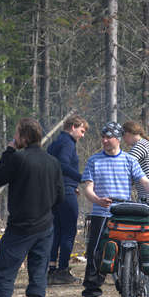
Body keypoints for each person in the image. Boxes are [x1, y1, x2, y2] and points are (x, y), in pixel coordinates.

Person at [0, 118, 64, 297]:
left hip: (18, 228)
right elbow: (60, 197)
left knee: (6, 274)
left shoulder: (17, 158)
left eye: (17, 134)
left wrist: (9, 151)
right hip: (44, 227)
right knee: (38, 274)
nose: (14, 138)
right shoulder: (53, 162)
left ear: (24, 137)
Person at [79, 122, 149, 297]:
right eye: (103, 137)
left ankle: (132, 296)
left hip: (124, 215)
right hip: (101, 215)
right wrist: (97, 200)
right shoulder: (94, 160)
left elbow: (143, 180)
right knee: (96, 257)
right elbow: (88, 188)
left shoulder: (129, 159)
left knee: (133, 255)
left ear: (118, 139)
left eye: (108, 137)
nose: (104, 140)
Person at [46, 115, 88, 286]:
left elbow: (53, 167)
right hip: (65, 193)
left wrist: (71, 183)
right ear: (73, 127)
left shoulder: (55, 143)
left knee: (56, 231)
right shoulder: (68, 143)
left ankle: (51, 271)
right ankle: (63, 271)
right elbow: (62, 165)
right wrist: (81, 178)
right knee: (69, 232)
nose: (82, 135)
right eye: (82, 131)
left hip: (54, 192)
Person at [122, 121, 149, 200]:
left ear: (128, 133)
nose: (123, 140)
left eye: (123, 135)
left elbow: (123, 165)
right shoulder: (144, 144)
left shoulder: (140, 146)